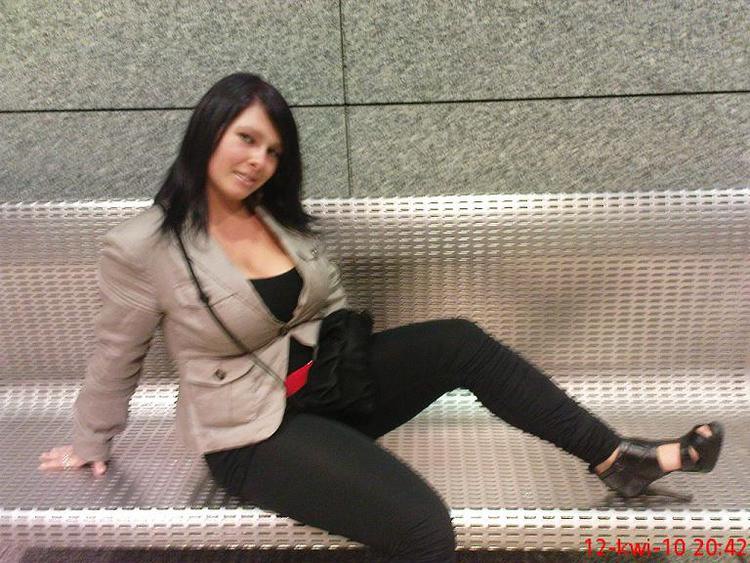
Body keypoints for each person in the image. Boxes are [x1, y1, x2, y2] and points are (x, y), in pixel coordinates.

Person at [39, 73, 724, 562]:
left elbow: (326, 306)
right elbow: (116, 352)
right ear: (208, 132)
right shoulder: (146, 245)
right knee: (425, 530)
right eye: (246, 139)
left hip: (322, 390)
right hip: (249, 434)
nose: (258, 161)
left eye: (272, 151)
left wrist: (348, 367)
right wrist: (90, 441)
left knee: (459, 342)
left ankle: (618, 459)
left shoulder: (277, 218)